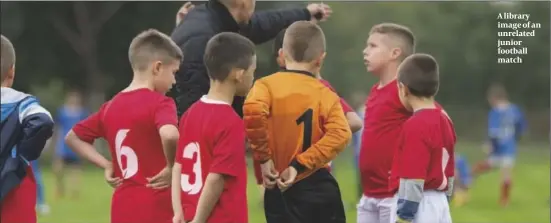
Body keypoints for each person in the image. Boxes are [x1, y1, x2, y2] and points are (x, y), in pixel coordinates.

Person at [65, 29, 181, 223]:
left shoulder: (110, 107)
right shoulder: (161, 103)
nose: (174, 81)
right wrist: (171, 167)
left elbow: (72, 137)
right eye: (174, 72)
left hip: (122, 207)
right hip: (157, 206)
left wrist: (107, 164)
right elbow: (170, 135)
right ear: (158, 67)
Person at [244, 21, 351, 223]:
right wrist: (299, 164)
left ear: (282, 55)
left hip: (278, 184)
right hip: (318, 186)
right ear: (320, 60)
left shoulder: (265, 86)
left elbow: (253, 111)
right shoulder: (325, 93)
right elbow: (341, 134)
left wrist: (264, 159)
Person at [171, 0, 332, 118]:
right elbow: (190, 107)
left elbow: (265, 23)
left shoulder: (217, 18)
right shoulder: (201, 41)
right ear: (244, 3)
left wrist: (305, 13)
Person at [357, 23, 442, 223]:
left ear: (395, 53)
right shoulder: (375, 90)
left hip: (392, 196)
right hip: (369, 195)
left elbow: (434, 116)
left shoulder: (404, 90)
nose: (365, 51)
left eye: (372, 46)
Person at [171, 32, 256, 223]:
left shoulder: (190, 114)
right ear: (239, 74)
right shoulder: (231, 122)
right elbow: (216, 179)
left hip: (188, 215)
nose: (253, 77)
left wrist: (178, 213)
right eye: (252, 71)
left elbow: (178, 167)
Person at [389, 54, 455, 223]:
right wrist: (445, 200)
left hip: (418, 205)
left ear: (404, 89)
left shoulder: (415, 125)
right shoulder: (445, 119)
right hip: (440, 202)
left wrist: (404, 216)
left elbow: (414, 175)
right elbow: (450, 167)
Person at [0, 35, 54, 223]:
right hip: (15, 198)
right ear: (11, 72)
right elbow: (43, 121)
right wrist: (21, 154)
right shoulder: (21, 102)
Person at [472, 83, 527, 207]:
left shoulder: (495, 112)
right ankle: (504, 201)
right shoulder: (515, 110)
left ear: (494, 98)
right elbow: (521, 127)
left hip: (498, 147)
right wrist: (515, 138)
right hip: (509, 146)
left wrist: (490, 145)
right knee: (505, 172)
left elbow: (493, 131)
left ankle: (466, 180)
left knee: (489, 166)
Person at [52, 90, 88, 199]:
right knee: (58, 168)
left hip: (76, 144)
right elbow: (56, 127)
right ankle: (60, 188)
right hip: (63, 145)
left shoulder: (82, 113)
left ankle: (74, 192)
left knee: (75, 169)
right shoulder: (62, 112)